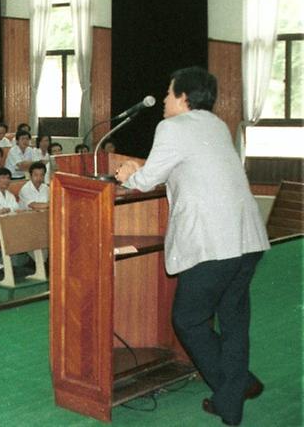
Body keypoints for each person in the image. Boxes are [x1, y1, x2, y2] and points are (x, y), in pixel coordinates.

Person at [115, 67, 269, 426]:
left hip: (213, 243)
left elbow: (149, 178)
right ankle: (233, 397)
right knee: (233, 320)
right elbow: (189, 168)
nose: (165, 101)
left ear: (183, 98)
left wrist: (127, 175)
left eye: (168, 94)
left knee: (188, 319)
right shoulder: (217, 125)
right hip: (247, 239)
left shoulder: (173, 127)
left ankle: (235, 385)